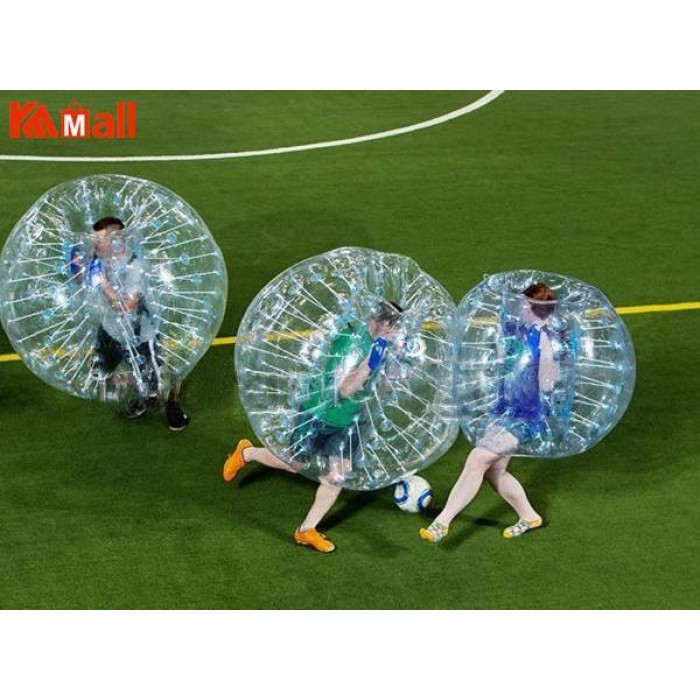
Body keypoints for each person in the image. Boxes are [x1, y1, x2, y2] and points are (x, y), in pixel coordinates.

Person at [223, 300, 404, 553]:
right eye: (390, 326)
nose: (392, 331)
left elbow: (386, 388)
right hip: (318, 413)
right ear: (377, 322)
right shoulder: (349, 341)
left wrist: (395, 360)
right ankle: (247, 453)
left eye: (395, 327)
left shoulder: (384, 346)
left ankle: (306, 530)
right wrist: (371, 362)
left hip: (349, 421)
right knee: (295, 464)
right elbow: (343, 389)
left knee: (338, 475)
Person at [420, 282, 560, 544]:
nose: (520, 308)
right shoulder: (520, 331)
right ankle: (529, 516)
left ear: (534, 308)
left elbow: (547, 385)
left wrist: (538, 369)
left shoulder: (545, 341)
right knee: (495, 472)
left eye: (525, 304)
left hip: (525, 418)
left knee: (477, 459)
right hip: (506, 412)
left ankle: (442, 522)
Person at [88, 216, 190, 430]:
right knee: (100, 371)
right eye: (93, 238)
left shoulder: (135, 267)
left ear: (116, 240)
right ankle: (143, 393)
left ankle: (171, 405)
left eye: (98, 240)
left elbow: (128, 305)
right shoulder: (102, 260)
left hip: (140, 335)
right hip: (111, 329)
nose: (94, 244)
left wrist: (105, 286)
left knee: (156, 379)